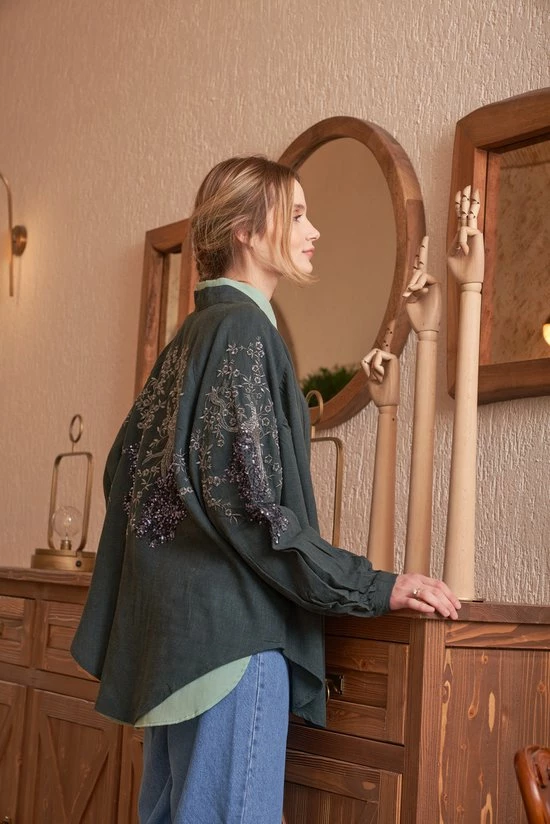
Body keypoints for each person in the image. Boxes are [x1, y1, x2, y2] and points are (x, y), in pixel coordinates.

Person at [71, 156, 460, 824]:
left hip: (177, 653)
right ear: (246, 231)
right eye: (297, 214)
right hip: (231, 650)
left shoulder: (191, 336)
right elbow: (253, 509)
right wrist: (372, 585)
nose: (314, 231)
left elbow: (123, 475)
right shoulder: (243, 331)